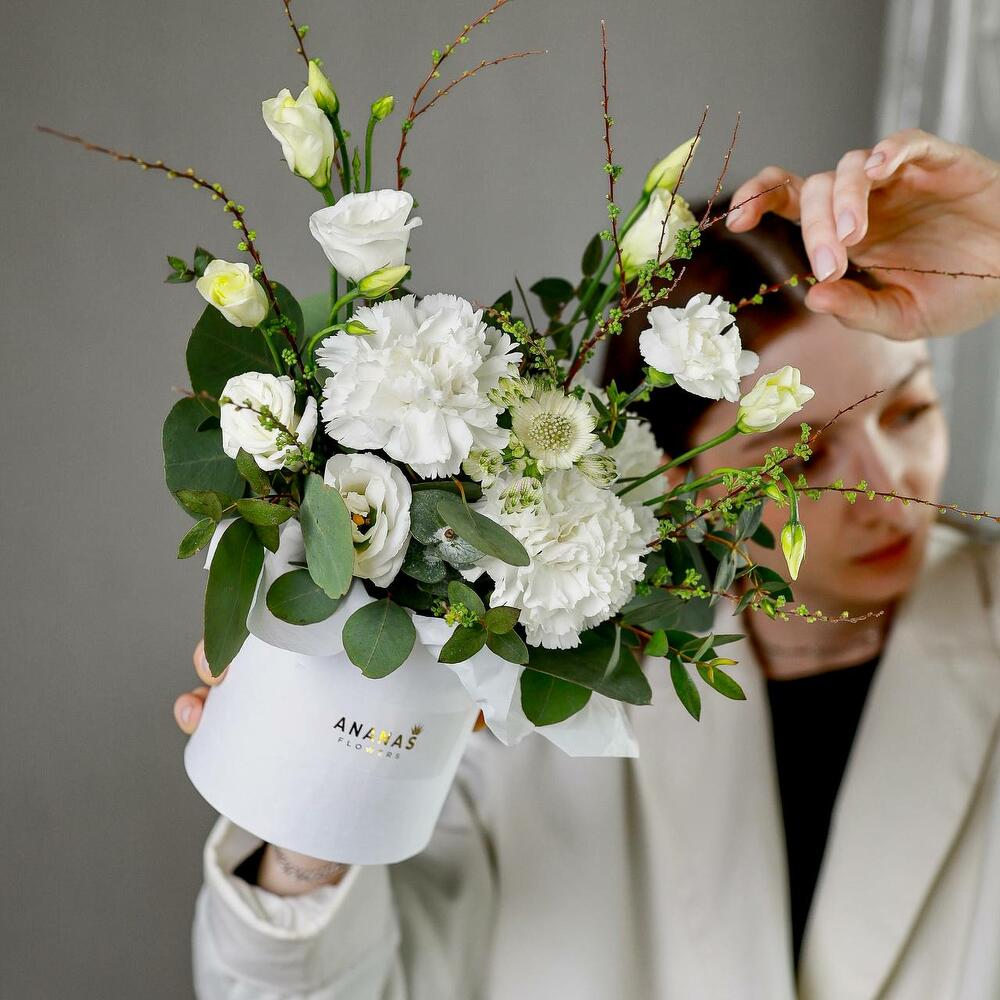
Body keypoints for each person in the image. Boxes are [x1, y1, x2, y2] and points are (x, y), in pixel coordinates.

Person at [174, 129, 1000, 999]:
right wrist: (316, 794)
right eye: (802, 456)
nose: (890, 486)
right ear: (676, 477)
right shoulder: (533, 687)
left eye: (910, 415)